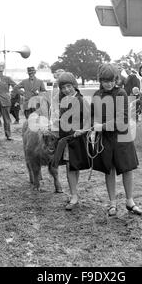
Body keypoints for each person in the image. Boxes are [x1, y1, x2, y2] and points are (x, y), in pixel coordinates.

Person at [91, 63, 142, 217]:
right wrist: (94, 124)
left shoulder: (121, 93)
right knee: (109, 169)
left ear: (116, 79)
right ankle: (112, 203)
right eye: (105, 81)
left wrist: (103, 126)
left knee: (127, 169)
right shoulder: (97, 95)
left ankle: (130, 201)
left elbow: (123, 119)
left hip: (122, 136)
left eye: (111, 80)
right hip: (105, 138)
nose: (109, 84)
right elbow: (93, 115)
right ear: (100, 80)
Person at [52, 72, 91, 210]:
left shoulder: (82, 101)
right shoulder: (62, 101)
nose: (66, 90)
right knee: (69, 165)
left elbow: (88, 120)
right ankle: (73, 195)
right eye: (63, 88)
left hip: (78, 139)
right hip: (66, 139)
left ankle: (74, 192)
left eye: (69, 86)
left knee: (75, 165)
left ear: (74, 85)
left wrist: (83, 130)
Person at [0, 65, 17, 141]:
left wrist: (11, 94)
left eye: (1, 71)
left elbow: (15, 86)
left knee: (6, 119)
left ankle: (8, 135)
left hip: (5, 101)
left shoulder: (7, 78)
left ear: (3, 71)